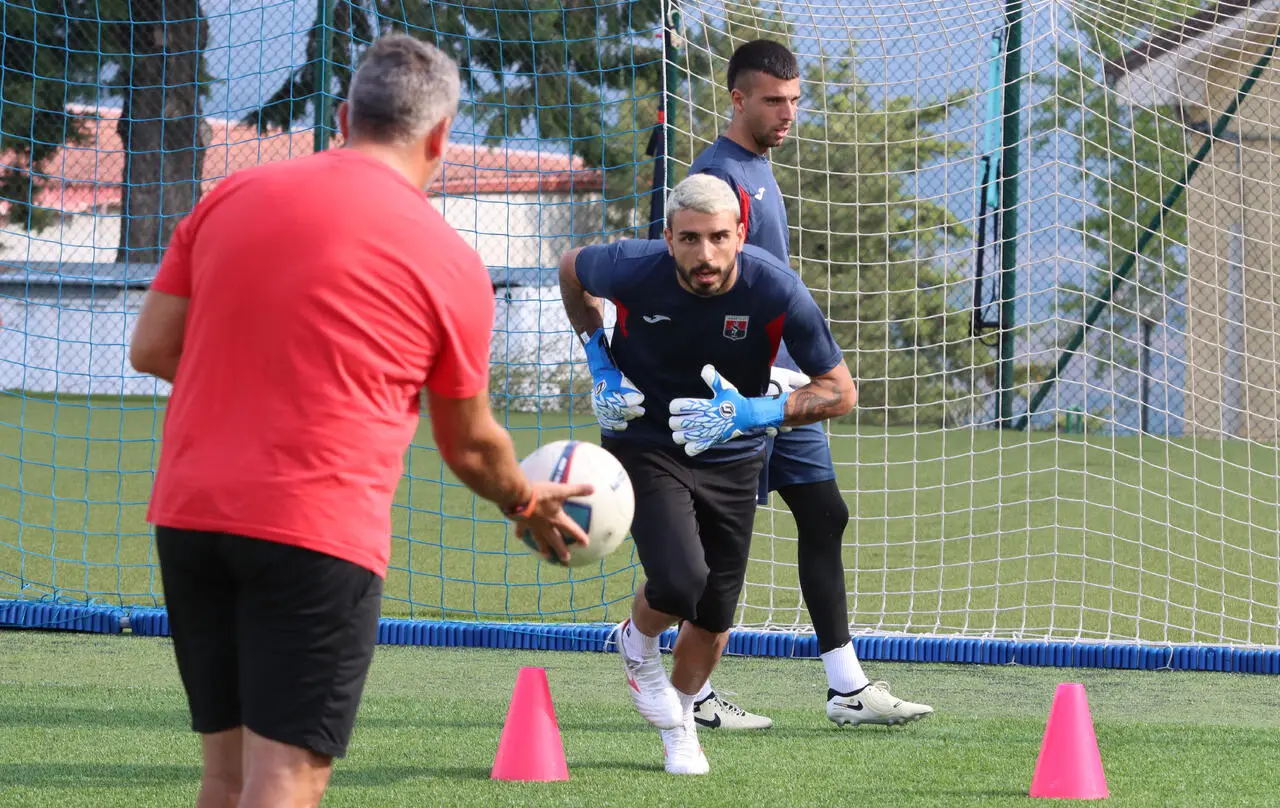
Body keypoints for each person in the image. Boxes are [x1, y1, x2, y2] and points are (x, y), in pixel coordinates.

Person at [129, 34, 591, 808]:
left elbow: (152, 348)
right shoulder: (448, 262)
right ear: (440, 137)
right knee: (283, 781)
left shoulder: (231, 197)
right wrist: (524, 498)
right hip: (314, 529)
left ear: (345, 115)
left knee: (225, 778)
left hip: (190, 517)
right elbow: (469, 445)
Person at [558, 172, 857, 774]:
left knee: (715, 616)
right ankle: (638, 646)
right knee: (680, 580)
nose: (706, 254)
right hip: (645, 441)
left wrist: (758, 411)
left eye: (719, 237)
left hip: (733, 453)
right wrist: (600, 359)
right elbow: (571, 269)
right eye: (690, 239)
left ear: (741, 234)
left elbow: (841, 393)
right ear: (667, 238)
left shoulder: (777, 290)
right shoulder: (629, 268)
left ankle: (681, 729)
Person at [685, 38, 933, 730]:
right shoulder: (718, 175)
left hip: (784, 382)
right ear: (738, 100)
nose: (788, 113)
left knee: (824, 516)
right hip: (737, 393)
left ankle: (846, 688)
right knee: (714, 545)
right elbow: (693, 283)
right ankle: (683, 682)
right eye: (774, 101)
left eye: (795, 101)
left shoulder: (758, 166)